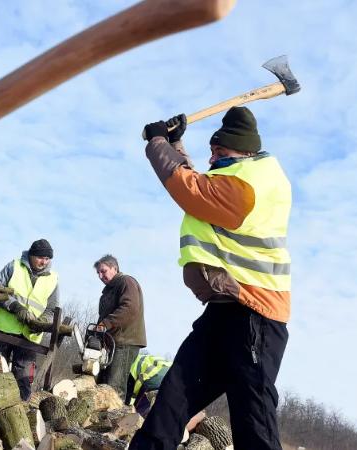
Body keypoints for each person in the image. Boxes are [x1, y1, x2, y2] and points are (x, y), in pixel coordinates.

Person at [131, 106, 291, 450]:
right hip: (223, 312)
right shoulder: (239, 177)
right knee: (174, 398)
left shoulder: (248, 186)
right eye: (212, 151)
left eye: (220, 152)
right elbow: (198, 180)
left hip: (254, 318)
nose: (213, 157)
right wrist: (175, 144)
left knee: (253, 422)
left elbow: (191, 189)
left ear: (244, 152)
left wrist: (157, 141)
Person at [0, 239, 60, 401]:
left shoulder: (53, 279)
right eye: (40, 257)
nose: (44, 262)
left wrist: (40, 322)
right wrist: (16, 307)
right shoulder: (14, 266)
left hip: (30, 336)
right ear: (31, 255)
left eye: (47, 259)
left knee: (23, 380)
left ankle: (20, 412)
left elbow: (51, 309)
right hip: (4, 330)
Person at [94, 254, 147, 401]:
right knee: (102, 385)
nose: (100, 275)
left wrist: (105, 324)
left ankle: (113, 421)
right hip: (112, 343)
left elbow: (129, 308)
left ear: (114, 268)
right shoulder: (107, 292)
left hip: (125, 341)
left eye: (103, 271)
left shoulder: (126, 282)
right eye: (98, 273)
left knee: (114, 387)